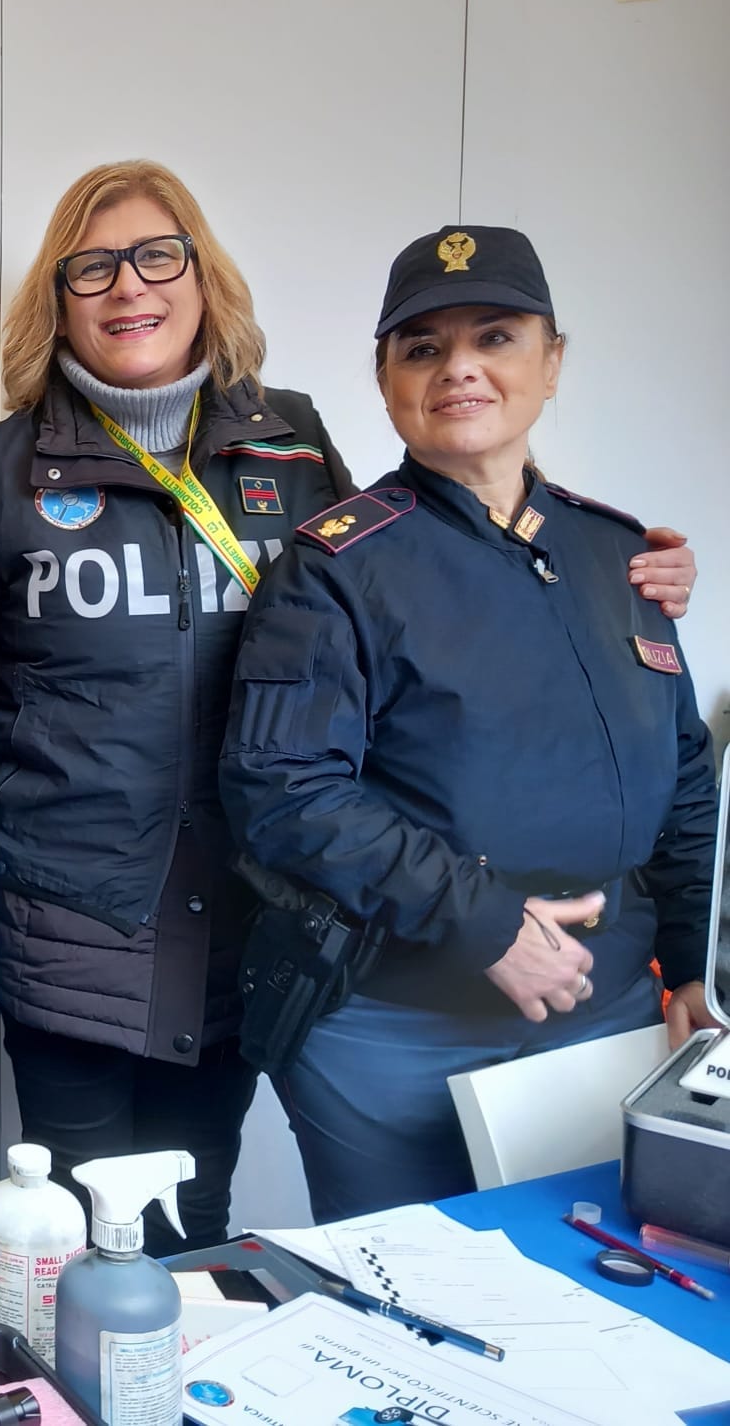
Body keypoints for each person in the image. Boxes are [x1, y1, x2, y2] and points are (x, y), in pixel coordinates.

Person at [0, 165, 699, 1252]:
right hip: (95, 928)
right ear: (57, 297)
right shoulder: (1, 470)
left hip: (251, 928)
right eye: (95, 267)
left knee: (195, 1225)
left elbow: (443, 555)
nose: (130, 287)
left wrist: (628, 575)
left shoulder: (298, 450)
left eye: (159, 256)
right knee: (86, 1241)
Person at [219, 225, 717, 1222]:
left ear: (551, 362)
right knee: (409, 1319)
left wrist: (703, 967)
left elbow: (689, 780)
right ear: (385, 377)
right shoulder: (338, 567)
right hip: (398, 1030)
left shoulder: (619, 556)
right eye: (423, 348)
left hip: (606, 1012)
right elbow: (283, 791)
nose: (461, 370)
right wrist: (485, 921)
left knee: (607, 1304)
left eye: (494, 337)